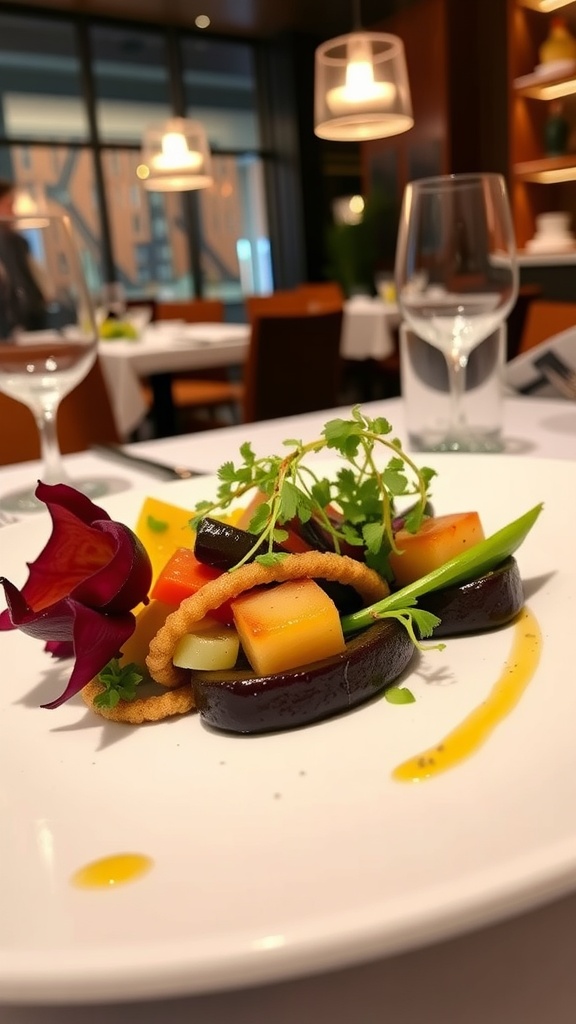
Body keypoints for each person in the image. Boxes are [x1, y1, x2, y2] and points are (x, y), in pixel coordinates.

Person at [0, 179, 46, 339]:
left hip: (26, 330)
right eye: (9, 206)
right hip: (15, 333)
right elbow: (20, 289)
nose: (14, 214)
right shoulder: (7, 240)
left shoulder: (17, 241)